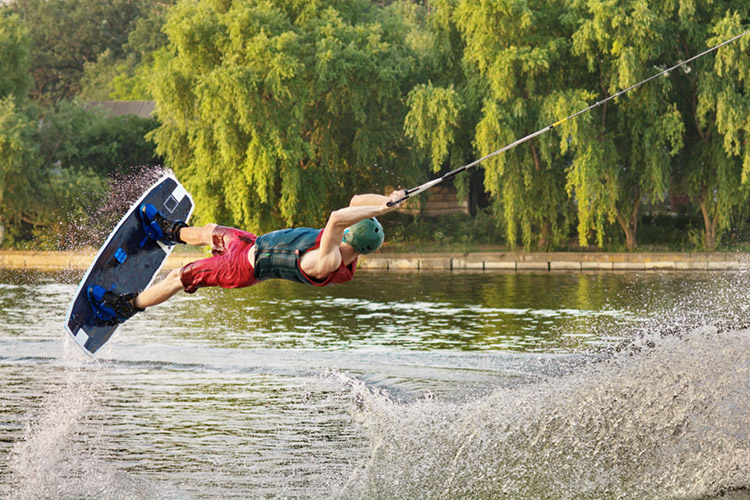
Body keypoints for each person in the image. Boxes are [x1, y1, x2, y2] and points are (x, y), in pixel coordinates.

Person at [90, 190, 405, 323]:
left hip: (240, 267)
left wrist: (380, 209)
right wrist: (391, 200)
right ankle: (167, 231)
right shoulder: (349, 246)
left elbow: (338, 215)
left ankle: (125, 306)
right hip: (251, 245)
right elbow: (354, 201)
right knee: (209, 231)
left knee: (179, 277)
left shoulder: (330, 261)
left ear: (351, 233)